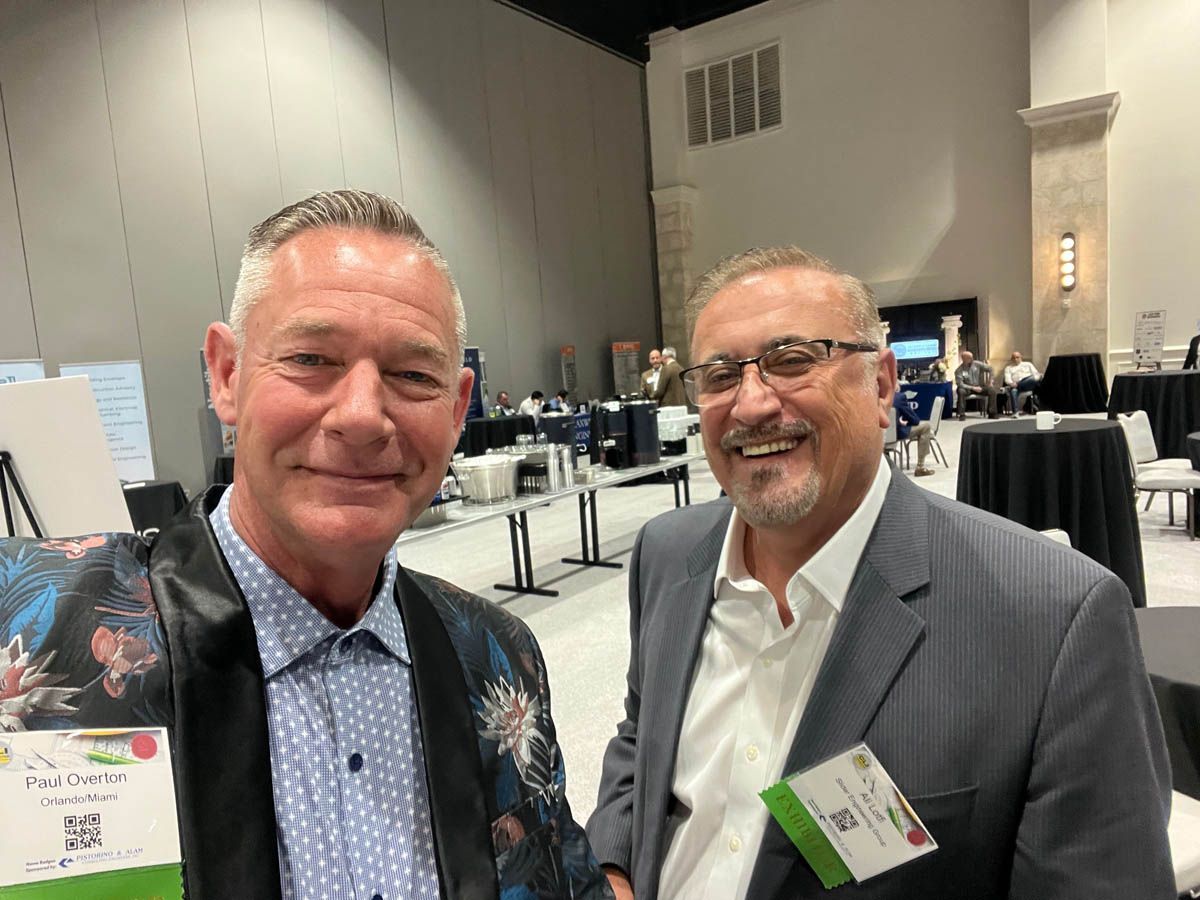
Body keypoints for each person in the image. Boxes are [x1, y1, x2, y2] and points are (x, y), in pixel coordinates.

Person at [0, 191, 609, 900]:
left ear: (455, 407)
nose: (361, 416)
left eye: (413, 374)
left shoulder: (497, 657)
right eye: (312, 358)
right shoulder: (36, 632)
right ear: (226, 375)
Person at [587, 246, 1173, 900]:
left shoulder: (1053, 621)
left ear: (882, 386)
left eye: (792, 361)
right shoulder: (666, 556)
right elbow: (642, 744)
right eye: (721, 376)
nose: (750, 406)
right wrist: (613, 871)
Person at [893, 391, 935, 475]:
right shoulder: (898, 397)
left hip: (878, 436)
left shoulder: (872, 396)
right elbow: (915, 420)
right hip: (896, 434)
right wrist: (905, 424)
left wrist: (896, 422)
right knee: (926, 427)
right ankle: (920, 466)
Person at [954, 349, 999, 419]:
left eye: (972, 357)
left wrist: (990, 381)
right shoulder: (959, 370)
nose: (972, 359)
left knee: (992, 390)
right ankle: (961, 414)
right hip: (967, 388)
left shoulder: (977, 364)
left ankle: (992, 413)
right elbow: (960, 384)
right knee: (961, 391)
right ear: (964, 359)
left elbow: (991, 369)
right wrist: (972, 388)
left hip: (979, 386)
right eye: (970, 358)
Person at [1002, 350, 1041, 416]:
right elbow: (1007, 379)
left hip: (1028, 384)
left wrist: (1017, 384)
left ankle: (1016, 385)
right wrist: (1011, 383)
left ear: (1021, 357)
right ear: (1011, 359)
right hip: (1016, 386)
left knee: (1032, 378)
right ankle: (1015, 412)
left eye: (1017, 357)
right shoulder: (1008, 368)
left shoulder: (1028, 364)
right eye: (1014, 358)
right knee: (1013, 391)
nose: (1015, 359)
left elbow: (1036, 375)